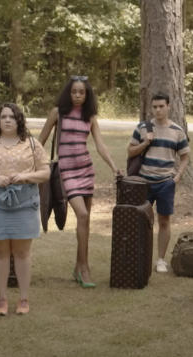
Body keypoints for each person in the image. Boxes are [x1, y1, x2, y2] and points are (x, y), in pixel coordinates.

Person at [38, 77, 121, 288]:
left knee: (86, 221)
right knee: (82, 215)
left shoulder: (89, 116)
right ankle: (85, 268)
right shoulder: (58, 113)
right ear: (68, 93)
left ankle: (78, 267)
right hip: (66, 170)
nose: (77, 95)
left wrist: (113, 166)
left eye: (81, 92)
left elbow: (100, 145)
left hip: (86, 169)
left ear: (87, 95)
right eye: (74, 91)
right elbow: (40, 142)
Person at [0, 103, 50, 316]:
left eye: (12, 117)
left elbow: (45, 172)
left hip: (24, 203)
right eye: (3, 116)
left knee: (22, 253)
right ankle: (2, 299)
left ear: (19, 120)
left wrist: (25, 176)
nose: (7, 120)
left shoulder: (32, 144)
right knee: (1, 252)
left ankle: (24, 299)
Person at [127, 93, 190, 274]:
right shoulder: (142, 128)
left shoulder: (177, 131)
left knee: (164, 221)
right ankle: (138, 256)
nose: (158, 110)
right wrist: (145, 143)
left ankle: (161, 260)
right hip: (143, 182)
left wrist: (177, 177)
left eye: (161, 106)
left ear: (169, 106)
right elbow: (130, 152)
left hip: (165, 183)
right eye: (155, 107)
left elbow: (185, 156)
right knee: (139, 221)